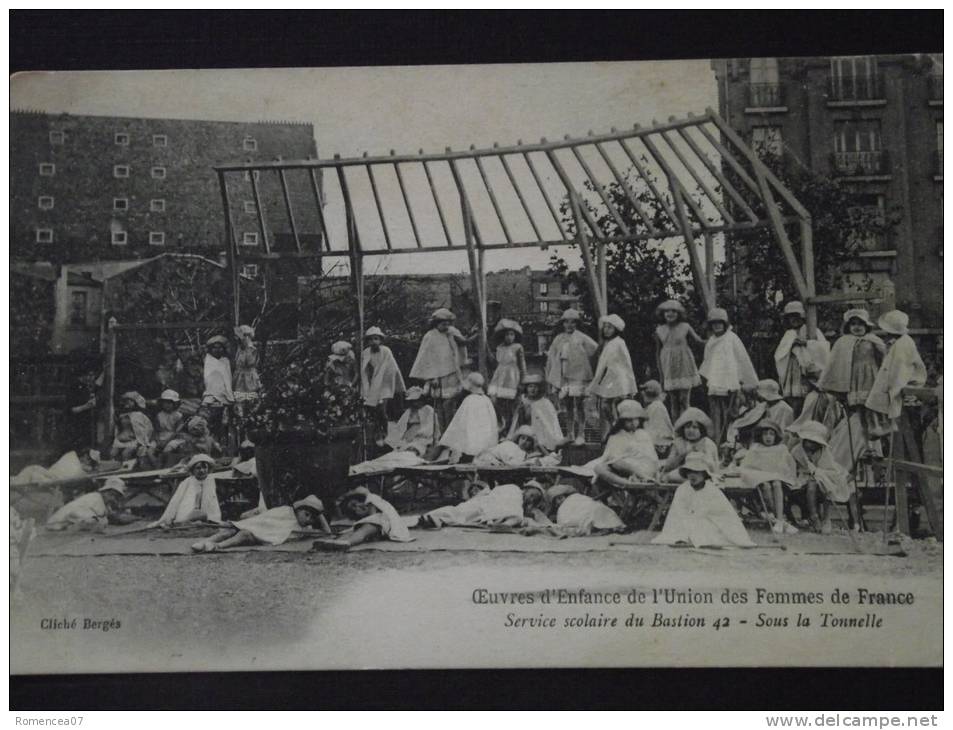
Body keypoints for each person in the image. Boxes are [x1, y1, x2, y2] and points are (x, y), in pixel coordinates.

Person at [818, 309, 890, 467]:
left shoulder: (873, 340)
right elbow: (835, 364)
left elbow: (885, 358)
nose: (857, 328)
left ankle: (874, 448)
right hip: (854, 380)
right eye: (853, 324)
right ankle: (863, 446)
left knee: (872, 412)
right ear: (848, 327)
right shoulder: (843, 342)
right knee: (859, 414)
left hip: (871, 378)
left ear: (867, 326)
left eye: (860, 324)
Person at [652, 453, 755, 547]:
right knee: (680, 529)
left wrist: (699, 515)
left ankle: (696, 538)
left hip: (708, 522)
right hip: (686, 522)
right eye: (690, 472)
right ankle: (685, 538)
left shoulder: (712, 491)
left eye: (697, 472)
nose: (692, 475)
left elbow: (722, 515)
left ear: (704, 474)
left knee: (707, 530)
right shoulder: (682, 489)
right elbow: (677, 512)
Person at [698, 307, 758, 447]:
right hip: (715, 384)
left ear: (725, 324)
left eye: (720, 323)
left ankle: (730, 444)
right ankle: (717, 444)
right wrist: (708, 378)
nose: (717, 326)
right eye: (714, 323)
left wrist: (745, 381)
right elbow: (708, 361)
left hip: (731, 385)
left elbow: (742, 359)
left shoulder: (732, 338)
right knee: (716, 416)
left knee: (730, 415)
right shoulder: (711, 341)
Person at [864, 309, 927, 437]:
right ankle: (882, 425)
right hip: (891, 374)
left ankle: (888, 425)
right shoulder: (899, 341)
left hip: (901, 377)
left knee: (882, 398)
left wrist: (893, 385)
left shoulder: (903, 344)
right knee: (874, 400)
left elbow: (901, 366)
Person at [191, 495, 331, 552]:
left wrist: (320, 515)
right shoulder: (285, 511)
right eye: (306, 514)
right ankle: (206, 541)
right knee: (231, 530)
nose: (308, 519)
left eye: (312, 518)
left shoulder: (303, 529)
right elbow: (264, 519)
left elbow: (327, 533)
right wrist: (243, 523)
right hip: (257, 528)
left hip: (262, 537)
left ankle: (217, 546)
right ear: (298, 509)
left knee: (244, 534)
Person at [791, 420, 859, 534]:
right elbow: (793, 470)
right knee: (811, 484)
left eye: (815, 442)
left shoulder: (823, 451)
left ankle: (827, 518)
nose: (812, 445)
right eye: (809, 441)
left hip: (824, 475)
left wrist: (819, 474)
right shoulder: (796, 452)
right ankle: (814, 516)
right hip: (803, 477)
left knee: (826, 483)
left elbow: (829, 468)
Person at [410, 308, 469, 431]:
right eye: (443, 324)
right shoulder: (430, 336)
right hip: (437, 376)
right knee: (439, 406)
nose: (446, 326)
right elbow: (427, 358)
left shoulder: (452, 332)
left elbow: (463, 344)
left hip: (452, 373)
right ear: (436, 324)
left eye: (448, 323)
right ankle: (442, 431)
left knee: (450, 403)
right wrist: (432, 377)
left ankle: (451, 431)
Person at [545, 308, 598, 445]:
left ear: (576, 324)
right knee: (567, 405)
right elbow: (552, 356)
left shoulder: (581, 337)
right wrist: (552, 374)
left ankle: (581, 434)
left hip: (578, 375)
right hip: (564, 375)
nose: (569, 325)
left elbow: (595, 349)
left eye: (573, 323)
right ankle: (570, 434)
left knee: (579, 405)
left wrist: (585, 363)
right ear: (562, 324)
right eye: (566, 322)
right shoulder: (559, 338)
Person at [739, 420, 799, 534]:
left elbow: (786, 466)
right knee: (766, 485)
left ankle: (779, 519)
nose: (768, 437)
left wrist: (780, 473)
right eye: (765, 434)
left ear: (776, 436)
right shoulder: (756, 447)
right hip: (760, 478)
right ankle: (779, 521)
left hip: (777, 478)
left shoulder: (781, 449)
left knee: (776, 482)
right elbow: (747, 465)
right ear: (760, 436)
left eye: (771, 434)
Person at [313, 486, 413, 551]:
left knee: (362, 531)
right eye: (354, 508)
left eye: (356, 503)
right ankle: (334, 542)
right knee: (354, 530)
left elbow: (365, 493)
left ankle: (347, 542)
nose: (358, 506)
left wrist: (346, 495)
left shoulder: (372, 502)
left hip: (384, 523)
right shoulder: (366, 517)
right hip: (379, 525)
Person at [774, 301, 830, 416]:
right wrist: (791, 345)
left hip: (807, 368)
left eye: (796, 316)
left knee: (809, 396)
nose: (794, 319)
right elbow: (780, 354)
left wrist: (807, 343)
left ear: (803, 316)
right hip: (793, 368)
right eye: (790, 317)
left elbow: (823, 348)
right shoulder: (789, 334)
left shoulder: (812, 330)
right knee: (794, 397)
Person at [589, 313, 638, 438]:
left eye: (610, 327)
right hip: (609, 378)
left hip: (619, 379)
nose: (606, 330)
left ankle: (620, 430)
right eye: (605, 327)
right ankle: (614, 428)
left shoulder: (620, 343)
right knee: (605, 405)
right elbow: (602, 365)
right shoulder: (607, 344)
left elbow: (627, 363)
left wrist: (630, 384)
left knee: (616, 405)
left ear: (616, 329)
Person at [654, 299, 704, 421]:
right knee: (673, 400)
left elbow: (699, 341)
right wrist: (661, 373)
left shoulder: (685, 327)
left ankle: (687, 422)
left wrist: (714, 340)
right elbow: (657, 351)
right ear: (662, 314)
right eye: (667, 312)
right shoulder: (660, 329)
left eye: (674, 312)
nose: (670, 314)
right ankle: (676, 429)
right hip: (669, 366)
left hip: (684, 364)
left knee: (684, 399)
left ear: (679, 314)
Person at [590, 399, 659, 487]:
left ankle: (644, 477)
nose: (633, 423)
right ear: (622, 421)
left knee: (617, 463)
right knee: (599, 468)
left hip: (644, 467)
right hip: (625, 468)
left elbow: (650, 456)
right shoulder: (616, 436)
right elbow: (611, 457)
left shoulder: (643, 434)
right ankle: (628, 483)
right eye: (629, 420)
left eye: (635, 419)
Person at [437, 372, 499, 462]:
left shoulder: (470, 400)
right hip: (487, 445)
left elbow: (460, 424)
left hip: (472, 446)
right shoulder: (487, 400)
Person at [361, 326, 407, 447]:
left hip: (385, 383)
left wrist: (384, 380)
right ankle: (378, 432)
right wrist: (368, 385)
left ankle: (384, 432)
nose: (373, 342)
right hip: (374, 384)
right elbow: (365, 370)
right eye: (370, 339)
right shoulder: (365, 353)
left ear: (380, 340)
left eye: (376, 339)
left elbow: (391, 368)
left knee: (381, 408)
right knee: (373, 410)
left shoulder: (386, 351)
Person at [152, 454, 222, 527]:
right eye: (198, 468)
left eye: (205, 468)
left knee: (206, 517)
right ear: (193, 470)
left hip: (205, 514)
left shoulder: (210, 481)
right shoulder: (187, 482)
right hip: (188, 513)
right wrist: (170, 517)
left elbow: (212, 503)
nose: (202, 470)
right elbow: (176, 501)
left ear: (208, 469)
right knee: (191, 518)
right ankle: (187, 522)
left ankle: (203, 522)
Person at [417, 482, 524, 528]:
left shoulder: (513, 489)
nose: (474, 491)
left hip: (486, 506)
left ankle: (437, 520)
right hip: (478, 505)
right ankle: (431, 518)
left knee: (463, 515)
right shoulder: (477, 498)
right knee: (459, 510)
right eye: (472, 489)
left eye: (477, 489)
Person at [45, 477, 131, 532]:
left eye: (115, 496)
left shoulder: (101, 500)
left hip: (64, 522)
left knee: (101, 521)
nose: (113, 498)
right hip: (56, 524)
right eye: (112, 495)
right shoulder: (95, 498)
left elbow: (110, 514)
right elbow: (75, 514)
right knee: (99, 522)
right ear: (106, 492)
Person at [507, 373, 565, 452]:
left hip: (540, 434)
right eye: (530, 386)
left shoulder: (545, 402)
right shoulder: (522, 401)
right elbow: (516, 422)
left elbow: (550, 423)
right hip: (525, 432)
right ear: (526, 388)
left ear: (539, 388)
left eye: (535, 387)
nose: (533, 389)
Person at [487, 319, 527, 432]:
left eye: (511, 334)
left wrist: (522, 382)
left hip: (512, 377)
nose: (509, 337)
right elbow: (496, 362)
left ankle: (512, 428)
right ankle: (502, 424)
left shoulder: (517, 347)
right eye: (506, 334)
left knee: (511, 404)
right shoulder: (500, 348)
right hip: (500, 377)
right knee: (497, 401)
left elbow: (522, 366)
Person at [661, 407, 719, 483]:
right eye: (687, 427)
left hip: (703, 476)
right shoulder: (679, 442)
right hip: (682, 476)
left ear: (701, 430)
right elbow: (667, 467)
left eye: (695, 427)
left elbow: (713, 468)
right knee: (668, 477)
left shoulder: (707, 443)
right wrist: (683, 454)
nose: (691, 430)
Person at [544, 483, 625, 536]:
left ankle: (609, 525)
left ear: (566, 495)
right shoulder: (562, 508)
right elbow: (564, 519)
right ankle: (600, 526)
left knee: (595, 508)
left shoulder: (575, 497)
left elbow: (587, 503)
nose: (559, 502)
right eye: (555, 502)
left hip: (591, 507)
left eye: (560, 498)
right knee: (577, 518)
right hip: (579, 512)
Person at [203, 334, 234, 442]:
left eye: (220, 347)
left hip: (225, 393)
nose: (217, 350)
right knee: (213, 419)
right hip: (211, 394)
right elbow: (208, 378)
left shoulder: (225, 361)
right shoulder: (207, 360)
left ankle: (224, 441)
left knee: (225, 421)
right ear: (210, 349)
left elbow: (227, 377)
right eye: (214, 347)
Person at [109, 391, 155, 463]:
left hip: (133, 441)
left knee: (125, 454)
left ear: (135, 403)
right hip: (120, 440)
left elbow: (149, 428)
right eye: (125, 401)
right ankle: (114, 467)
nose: (127, 403)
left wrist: (144, 440)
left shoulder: (140, 415)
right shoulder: (121, 415)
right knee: (112, 453)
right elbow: (118, 428)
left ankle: (127, 468)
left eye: (129, 401)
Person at [232, 325, 261, 426]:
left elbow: (249, 363)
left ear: (246, 337)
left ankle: (247, 422)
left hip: (248, 378)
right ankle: (240, 421)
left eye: (240, 337)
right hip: (239, 378)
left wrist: (247, 347)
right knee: (238, 402)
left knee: (249, 400)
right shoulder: (239, 349)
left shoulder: (251, 350)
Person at [474, 425, 542, 466]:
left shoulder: (522, 453)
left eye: (528, 440)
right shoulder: (511, 445)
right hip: (485, 458)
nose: (524, 442)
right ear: (518, 438)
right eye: (523, 438)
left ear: (531, 444)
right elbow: (511, 463)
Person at [640, 379, 675, 457]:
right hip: (661, 440)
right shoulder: (656, 405)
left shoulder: (655, 407)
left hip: (659, 441)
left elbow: (652, 428)